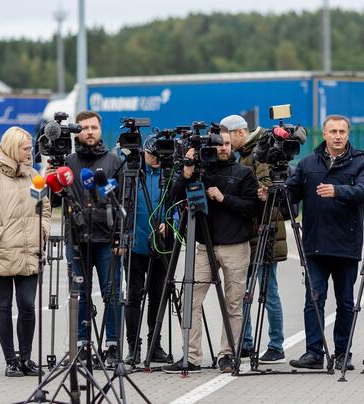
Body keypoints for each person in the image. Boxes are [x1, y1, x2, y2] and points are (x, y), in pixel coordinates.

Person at [280, 115, 364, 371]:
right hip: (315, 245)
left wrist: (338, 191)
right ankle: (314, 353)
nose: (337, 136)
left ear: (348, 134)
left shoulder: (359, 162)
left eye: (342, 131)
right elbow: (292, 193)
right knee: (314, 299)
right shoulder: (308, 163)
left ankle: (343, 353)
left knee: (345, 302)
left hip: (346, 245)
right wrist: (277, 192)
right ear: (323, 134)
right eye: (332, 131)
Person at [162, 127, 260, 374]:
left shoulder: (244, 173)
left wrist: (223, 198)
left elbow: (253, 208)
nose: (223, 148)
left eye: (227, 143)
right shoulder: (197, 172)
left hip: (236, 246)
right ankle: (192, 357)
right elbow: (173, 198)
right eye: (218, 144)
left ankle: (227, 354)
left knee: (233, 304)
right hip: (204, 245)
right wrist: (186, 173)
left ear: (232, 145)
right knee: (189, 299)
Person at [0, 126, 50, 377]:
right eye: (27, 148)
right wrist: (0, 234)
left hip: (30, 252)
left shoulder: (35, 177)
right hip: (1, 252)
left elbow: (45, 209)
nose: (31, 152)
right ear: (14, 148)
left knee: (27, 305)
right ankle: (11, 360)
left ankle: (26, 358)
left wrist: (42, 231)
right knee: (4, 305)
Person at [56, 111, 124, 364]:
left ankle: (113, 346)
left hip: (107, 240)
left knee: (113, 294)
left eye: (94, 127)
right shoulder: (68, 162)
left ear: (100, 129)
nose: (89, 132)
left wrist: (120, 237)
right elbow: (53, 200)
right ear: (77, 131)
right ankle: (83, 346)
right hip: (76, 239)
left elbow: (123, 201)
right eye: (84, 128)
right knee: (80, 294)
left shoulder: (114, 162)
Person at [221, 114, 288, 364]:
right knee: (243, 291)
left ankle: (276, 344)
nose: (224, 142)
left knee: (268, 291)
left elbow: (270, 188)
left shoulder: (261, 152)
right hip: (249, 232)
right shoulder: (245, 155)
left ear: (240, 133)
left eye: (228, 136)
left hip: (266, 230)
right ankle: (246, 343)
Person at [123, 134, 171, 365]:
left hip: (161, 247)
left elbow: (177, 203)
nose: (156, 159)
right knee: (133, 297)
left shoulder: (168, 173)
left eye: (159, 156)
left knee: (158, 296)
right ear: (144, 152)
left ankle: (156, 344)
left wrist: (170, 221)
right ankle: (133, 346)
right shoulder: (131, 173)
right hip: (135, 245)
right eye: (152, 155)